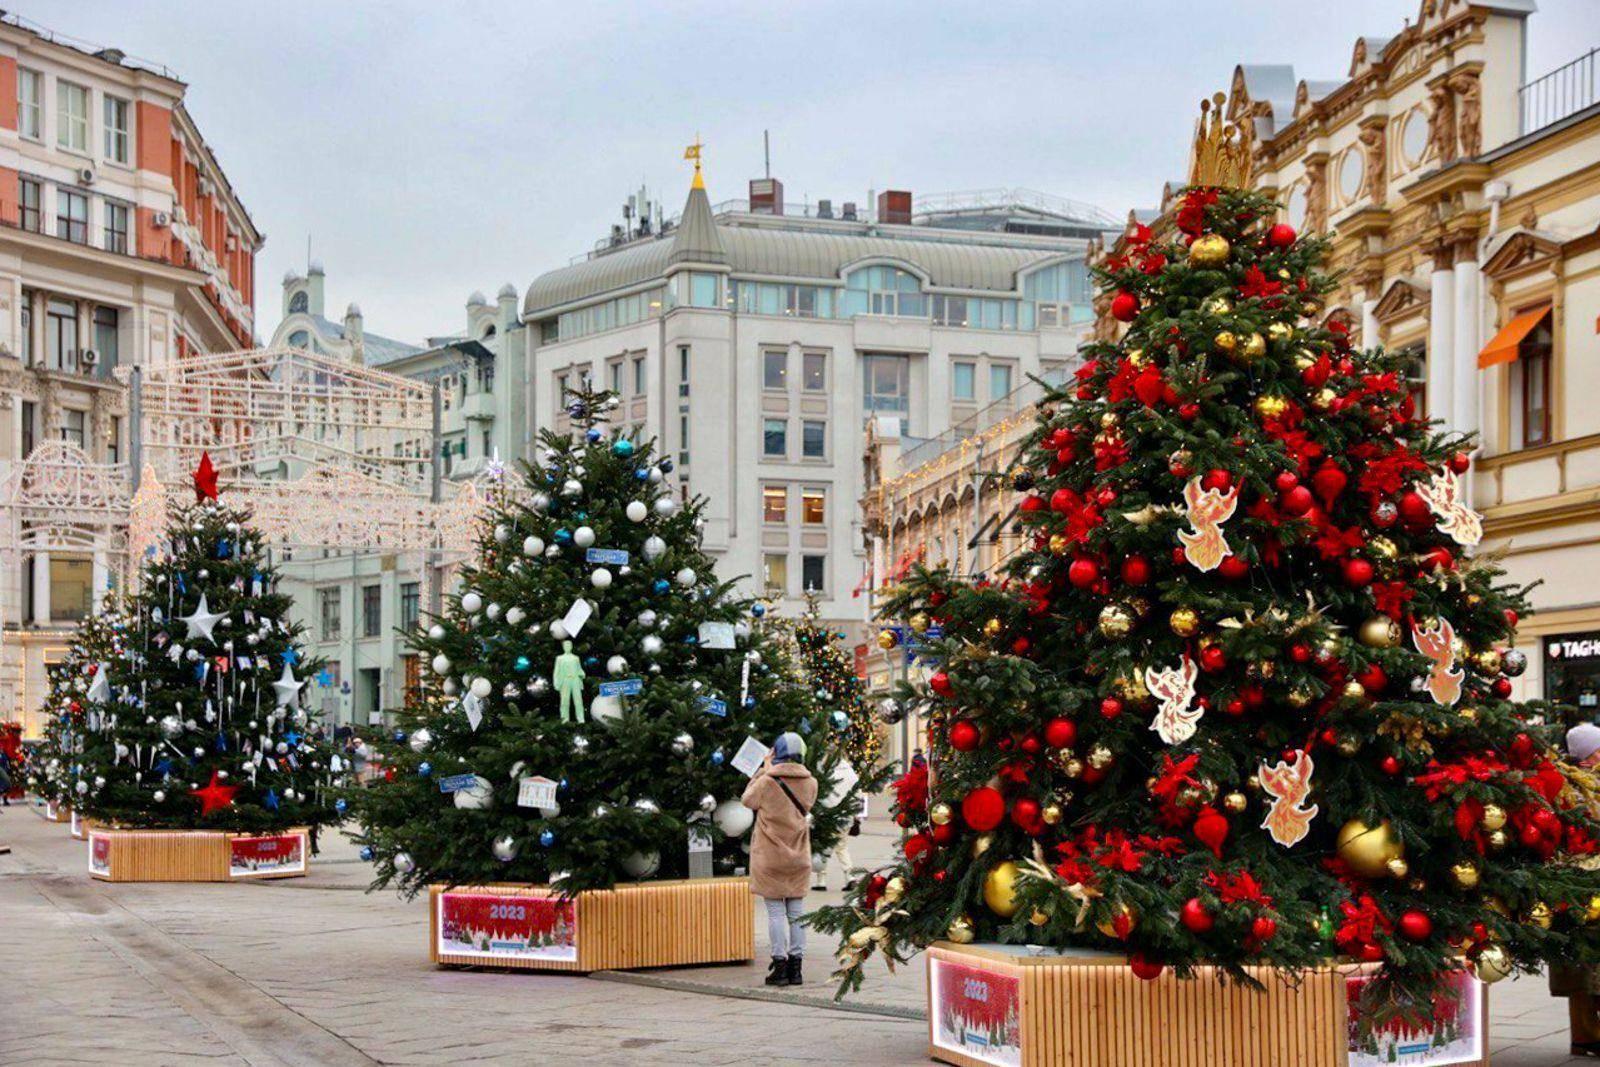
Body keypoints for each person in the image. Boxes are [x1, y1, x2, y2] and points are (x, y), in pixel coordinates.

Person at [742, 732, 817, 987]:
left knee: (775, 912)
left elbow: (747, 800)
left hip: (770, 856)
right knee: (796, 912)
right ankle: (797, 968)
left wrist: (764, 770)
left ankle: (780, 965)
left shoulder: (766, 782)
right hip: (799, 857)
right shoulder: (811, 783)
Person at [1554, 722, 1600, 1058]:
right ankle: (1588, 1036)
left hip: (1574, 883)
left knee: (1583, 966)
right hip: (1585, 882)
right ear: (1590, 754)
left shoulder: (1567, 783)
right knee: (1588, 965)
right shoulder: (1581, 787)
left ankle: (1584, 1036)